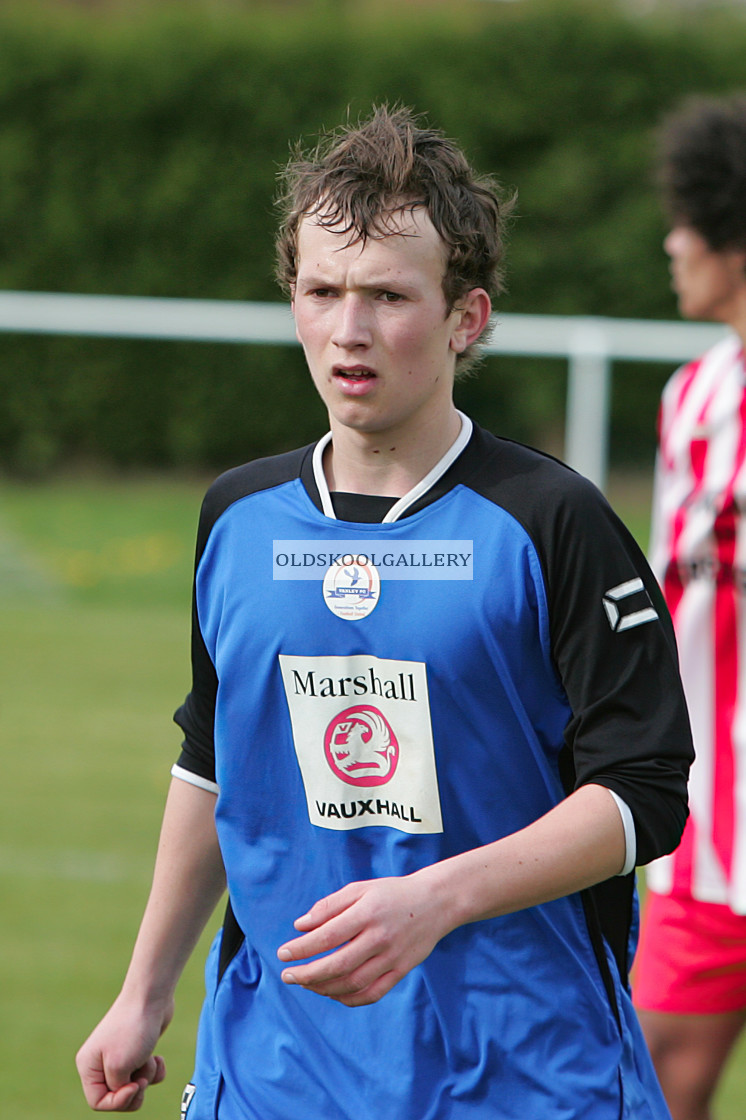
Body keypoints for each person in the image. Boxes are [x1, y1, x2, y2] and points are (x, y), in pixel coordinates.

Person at [76, 105, 692, 1119]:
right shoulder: (237, 517)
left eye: (386, 296)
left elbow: (642, 789)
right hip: (277, 1066)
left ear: (466, 317)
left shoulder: (551, 522)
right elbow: (212, 754)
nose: (348, 330)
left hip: (520, 1067)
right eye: (320, 291)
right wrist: (143, 991)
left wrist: (435, 897)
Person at [633, 94, 746, 1120]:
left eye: (687, 219)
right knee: (645, 1095)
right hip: (705, 834)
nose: (672, 242)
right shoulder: (690, 400)